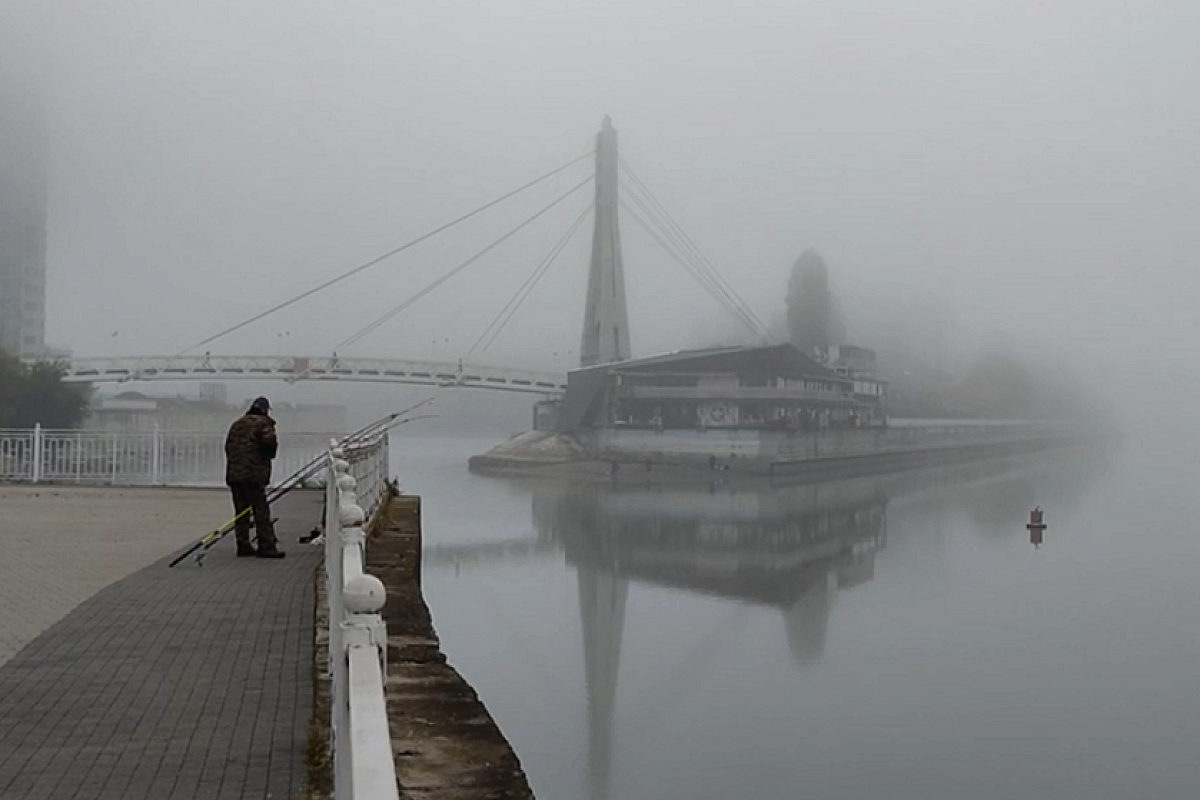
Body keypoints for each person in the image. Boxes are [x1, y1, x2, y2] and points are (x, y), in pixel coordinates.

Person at [224, 396, 285, 559]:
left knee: (241, 511)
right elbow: (270, 447)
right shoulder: (264, 423)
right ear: (265, 410)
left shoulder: (237, 424)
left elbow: (227, 447)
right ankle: (266, 546)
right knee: (261, 510)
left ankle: (243, 545)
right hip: (253, 475)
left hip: (234, 475)